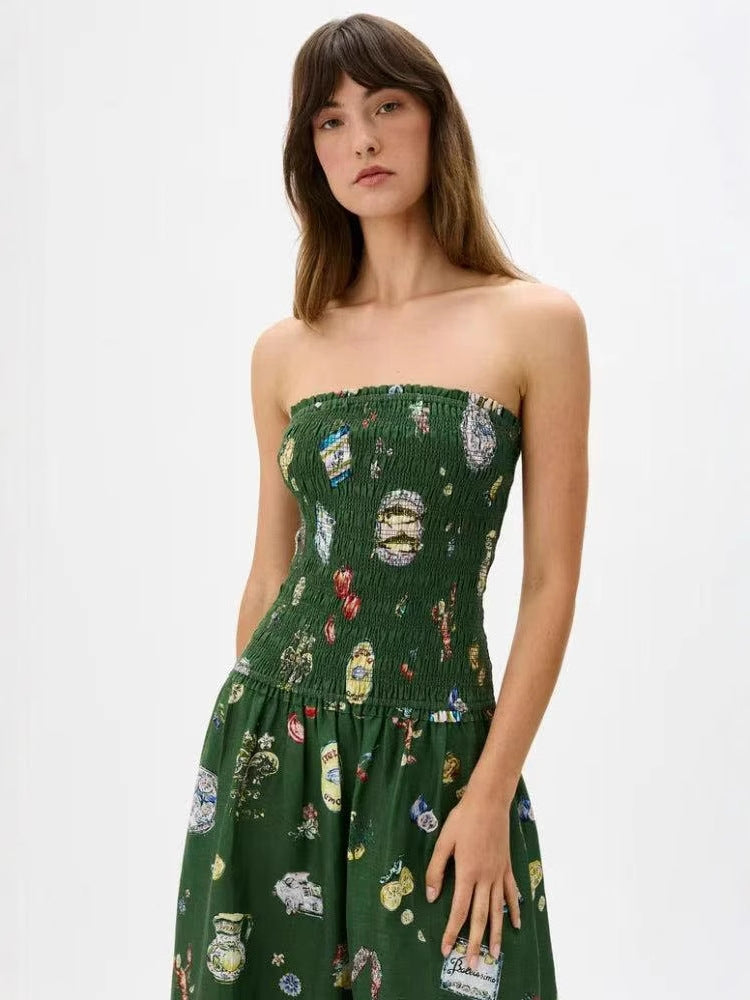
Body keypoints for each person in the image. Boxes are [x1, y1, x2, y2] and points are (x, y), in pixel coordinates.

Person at [170, 13, 588, 1000]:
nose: (360, 139)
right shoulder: (287, 349)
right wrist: (252, 760)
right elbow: (272, 571)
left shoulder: (534, 324)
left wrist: (490, 791)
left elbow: (551, 582)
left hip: (442, 753)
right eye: (330, 120)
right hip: (275, 735)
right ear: (310, 154)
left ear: (436, 122)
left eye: (386, 106)